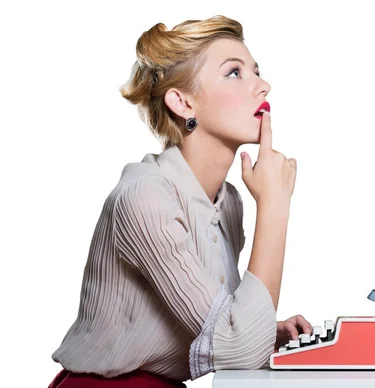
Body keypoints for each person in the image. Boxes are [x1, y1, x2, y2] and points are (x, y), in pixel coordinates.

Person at [48, 15, 312, 388]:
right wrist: (274, 206)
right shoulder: (145, 196)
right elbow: (239, 349)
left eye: (257, 71)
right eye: (234, 73)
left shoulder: (228, 202)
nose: (263, 86)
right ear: (183, 102)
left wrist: (266, 328)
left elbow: (221, 326)